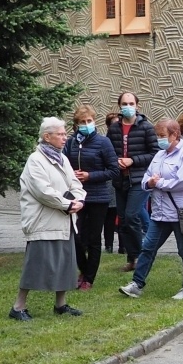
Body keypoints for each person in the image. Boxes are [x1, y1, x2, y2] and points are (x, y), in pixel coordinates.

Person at [11, 117, 85, 320]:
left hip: (64, 220)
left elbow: (74, 183)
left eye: (64, 133)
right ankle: (18, 307)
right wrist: (68, 204)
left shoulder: (62, 158)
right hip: (43, 221)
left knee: (64, 263)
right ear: (47, 137)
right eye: (60, 134)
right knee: (35, 264)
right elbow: (43, 192)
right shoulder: (35, 160)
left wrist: (79, 199)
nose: (65, 137)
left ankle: (60, 305)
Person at [120, 118, 183, 301]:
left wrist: (159, 183)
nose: (159, 139)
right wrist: (149, 183)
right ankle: (136, 284)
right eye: (158, 135)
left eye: (163, 136)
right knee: (148, 248)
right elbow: (146, 179)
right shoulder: (159, 155)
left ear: (174, 135)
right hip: (160, 213)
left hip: (181, 213)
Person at [66, 104, 118, 290]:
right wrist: (71, 174)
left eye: (89, 121)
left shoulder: (103, 142)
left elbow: (113, 170)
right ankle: (84, 269)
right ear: (76, 124)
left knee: (94, 239)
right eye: (82, 122)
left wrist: (90, 175)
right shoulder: (71, 142)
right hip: (77, 196)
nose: (86, 124)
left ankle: (89, 278)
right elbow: (63, 165)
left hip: (98, 197)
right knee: (77, 237)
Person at [108, 92, 160, 271]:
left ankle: (141, 256)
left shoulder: (146, 127)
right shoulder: (114, 129)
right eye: (124, 103)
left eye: (131, 103)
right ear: (119, 106)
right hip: (120, 180)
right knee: (122, 220)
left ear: (137, 105)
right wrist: (116, 160)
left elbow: (154, 153)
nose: (128, 106)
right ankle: (132, 259)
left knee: (132, 216)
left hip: (139, 179)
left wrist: (133, 160)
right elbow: (108, 151)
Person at [102, 111, 122, 253]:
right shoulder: (105, 142)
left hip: (122, 182)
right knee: (109, 217)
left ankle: (123, 247)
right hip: (108, 182)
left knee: (121, 216)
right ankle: (108, 245)